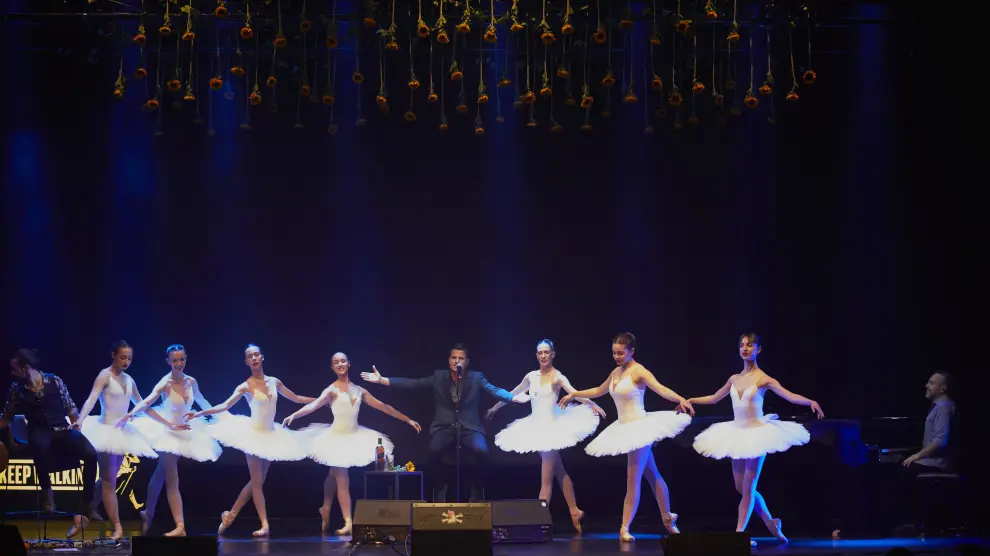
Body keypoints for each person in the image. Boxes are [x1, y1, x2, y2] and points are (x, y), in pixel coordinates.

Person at [687, 333, 824, 546]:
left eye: (750, 345)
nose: (745, 348)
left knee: (749, 487)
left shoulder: (764, 379)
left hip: (758, 433)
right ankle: (771, 523)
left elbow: (788, 395)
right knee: (741, 488)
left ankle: (739, 534)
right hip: (736, 433)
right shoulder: (734, 379)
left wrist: (810, 402)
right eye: (742, 345)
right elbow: (714, 398)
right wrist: (691, 400)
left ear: (758, 350)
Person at [559, 333, 694, 542]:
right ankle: (667, 517)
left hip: (639, 428)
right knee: (652, 474)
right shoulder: (615, 372)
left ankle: (625, 527)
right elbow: (599, 390)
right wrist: (574, 394)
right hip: (624, 426)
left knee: (633, 479)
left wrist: (680, 398)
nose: (617, 357)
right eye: (614, 353)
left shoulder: (639, 371)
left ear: (632, 351)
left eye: (621, 353)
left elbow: (660, 388)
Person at [360, 343, 529, 502]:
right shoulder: (439, 377)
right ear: (449, 360)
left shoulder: (476, 377)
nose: (457, 361)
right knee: (433, 451)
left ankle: (477, 488)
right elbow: (415, 384)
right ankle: (440, 485)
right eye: (454, 358)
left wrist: (513, 398)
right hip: (444, 426)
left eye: (461, 358)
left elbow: (494, 390)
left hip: (470, 427)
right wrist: (384, 380)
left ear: (466, 362)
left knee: (482, 451)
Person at [184, 344, 316, 537]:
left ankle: (230, 515)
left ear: (262, 357)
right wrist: (199, 413)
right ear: (246, 361)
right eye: (249, 356)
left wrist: (320, 400)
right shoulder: (245, 386)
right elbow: (224, 405)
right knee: (256, 484)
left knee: (259, 481)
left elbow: (295, 398)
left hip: (271, 435)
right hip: (253, 435)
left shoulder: (274, 381)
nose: (254, 358)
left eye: (256, 355)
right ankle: (265, 525)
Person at [283, 352, 422, 535]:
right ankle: (348, 521)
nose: (340, 364)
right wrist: (294, 415)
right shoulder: (331, 390)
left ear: (349, 364)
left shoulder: (359, 390)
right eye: (336, 362)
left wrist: (407, 419)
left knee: (333, 473)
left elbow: (384, 407)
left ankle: (326, 507)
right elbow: (313, 405)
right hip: (335, 438)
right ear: (332, 367)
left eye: (343, 361)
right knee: (342, 478)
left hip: (355, 435)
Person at [486, 339, 605, 533]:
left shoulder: (558, 377)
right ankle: (574, 510)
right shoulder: (531, 376)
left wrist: (593, 404)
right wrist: (495, 407)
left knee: (546, 477)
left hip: (552, 429)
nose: (543, 356)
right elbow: (513, 393)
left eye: (546, 352)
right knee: (559, 470)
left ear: (553, 354)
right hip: (535, 428)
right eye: (540, 352)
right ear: (536, 355)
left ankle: (539, 521)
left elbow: (574, 393)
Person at [76, 341, 182, 540]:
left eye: (129, 358)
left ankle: (88, 508)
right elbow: (92, 398)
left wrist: (168, 423)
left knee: (109, 478)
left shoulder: (129, 380)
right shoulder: (104, 376)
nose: (126, 361)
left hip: (122, 433)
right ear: (114, 356)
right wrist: (80, 419)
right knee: (109, 482)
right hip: (106, 431)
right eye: (122, 357)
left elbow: (142, 405)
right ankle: (117, 527)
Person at [119, 344, 223, 537]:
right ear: (168, 361)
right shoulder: (165, 383)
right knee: (172, 478)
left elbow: (201, 400)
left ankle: (148, 513)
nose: (179, 363)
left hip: (186, 431)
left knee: (160, 473)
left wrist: (217, 415)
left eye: (182, 359)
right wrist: (132, 413)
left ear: (186, 359)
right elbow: (146, 401)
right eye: (175, 360)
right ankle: (180, 526)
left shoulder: (191, 381)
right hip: (167, 432)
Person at [0, 348, 99, 536]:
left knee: (90, 453)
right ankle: (47, 494)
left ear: (26, 367)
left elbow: (70, 407)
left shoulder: (54, 380)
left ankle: (87, 504)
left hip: (62, 428)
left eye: (15, 369)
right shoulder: (17, 389)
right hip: (39, 431)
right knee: (40, 446)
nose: (12, 373)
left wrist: (77, 423)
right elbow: (6, 416)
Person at [893, 370, 956, 533]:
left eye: (931, 383)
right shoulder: (938, 407)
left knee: (903, 472)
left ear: (942, 388)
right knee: (902, 463)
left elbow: (941, 442)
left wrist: (917, 455)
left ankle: (910, 523)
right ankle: (910, 521)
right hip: (931, 460)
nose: (926, 385)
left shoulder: (943, 407)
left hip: (938, 463)